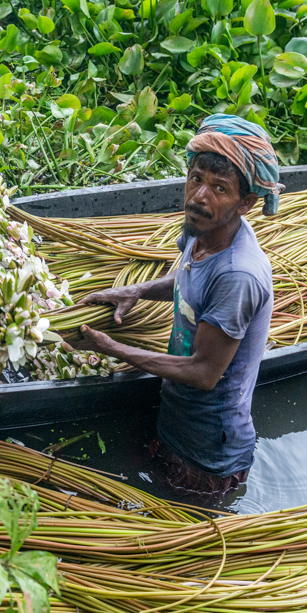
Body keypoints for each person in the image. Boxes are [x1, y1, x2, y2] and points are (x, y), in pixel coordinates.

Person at [71, 114, 280, 496]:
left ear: (246, 202)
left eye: (220, 188)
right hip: (174, 420)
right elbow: (187, 280)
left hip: (209, 455)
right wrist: (134, 290)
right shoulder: (201, 230)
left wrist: (109, 346)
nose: (200, 196)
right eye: (196, 179)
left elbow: (203, 373)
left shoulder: (239, 276)